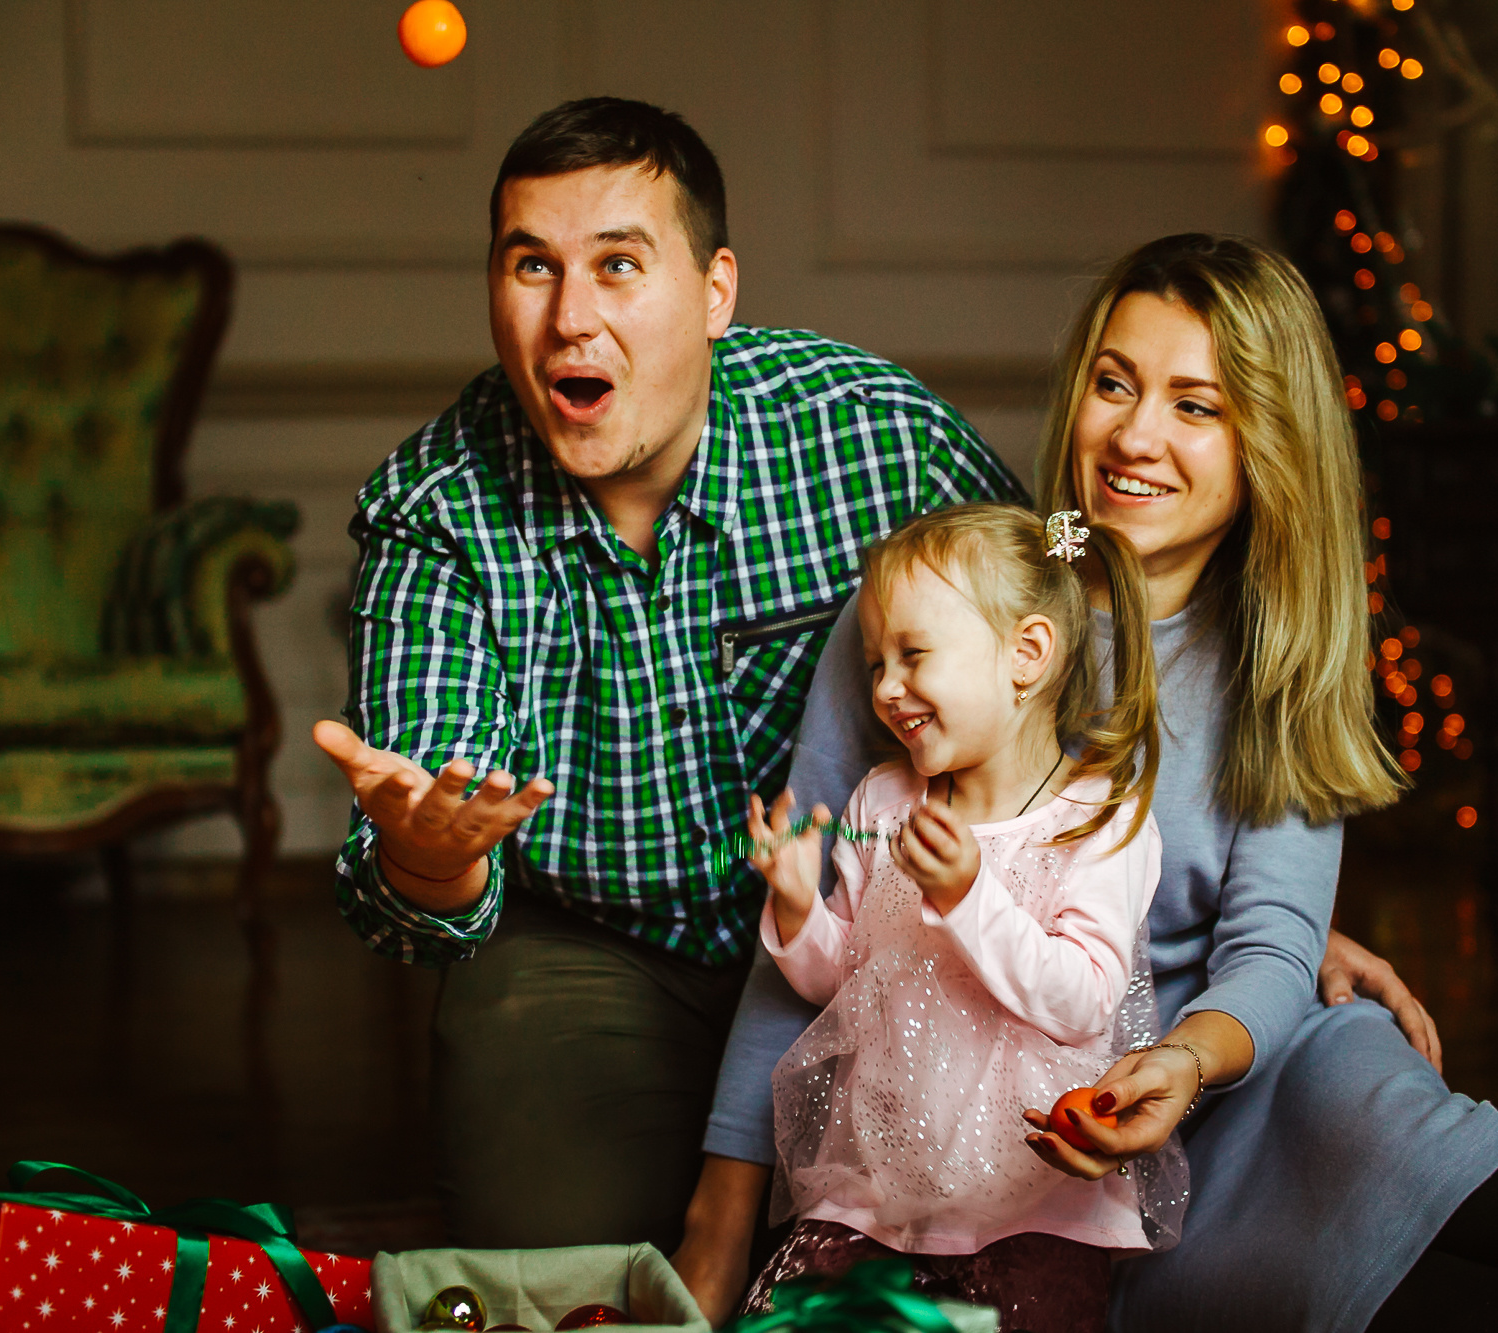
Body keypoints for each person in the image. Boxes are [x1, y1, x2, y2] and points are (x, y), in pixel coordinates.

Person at [682, 234, 1498, 1330]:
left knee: (1399, 1132)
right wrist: (715, 1232)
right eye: (1114, 383)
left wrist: (1191, 1057)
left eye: (1197, 406)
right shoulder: (925, 619)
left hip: (1229, 1059)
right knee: (1389, 1293)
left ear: (1266, 445)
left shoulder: (1278, 649)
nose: (1137, 436)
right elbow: (810, 940)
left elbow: (1268, 949)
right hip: (1045, 1124)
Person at [309, 95, 1026, 1249]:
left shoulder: (869, 435)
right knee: (562, 1270)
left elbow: (1070, 664)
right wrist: (428, 855)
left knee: (930, 1249)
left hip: (873, 921)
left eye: (619, 266)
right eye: (530, 266)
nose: (567, 320)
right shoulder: (437, 516)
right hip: (590, 945)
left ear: (715, 293)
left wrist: (1207, 882)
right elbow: (420, 905)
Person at [734, 504, 1191, 1332]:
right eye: (876, 662)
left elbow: (1083, 999)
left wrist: (970, 893)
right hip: (876, 1189)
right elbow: (843, 980)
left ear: (1027, 655)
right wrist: (799, 904)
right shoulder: (883, 799)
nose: (885, 688)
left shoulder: (1097, 817)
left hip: (1035, 1204)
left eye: (914, 655)